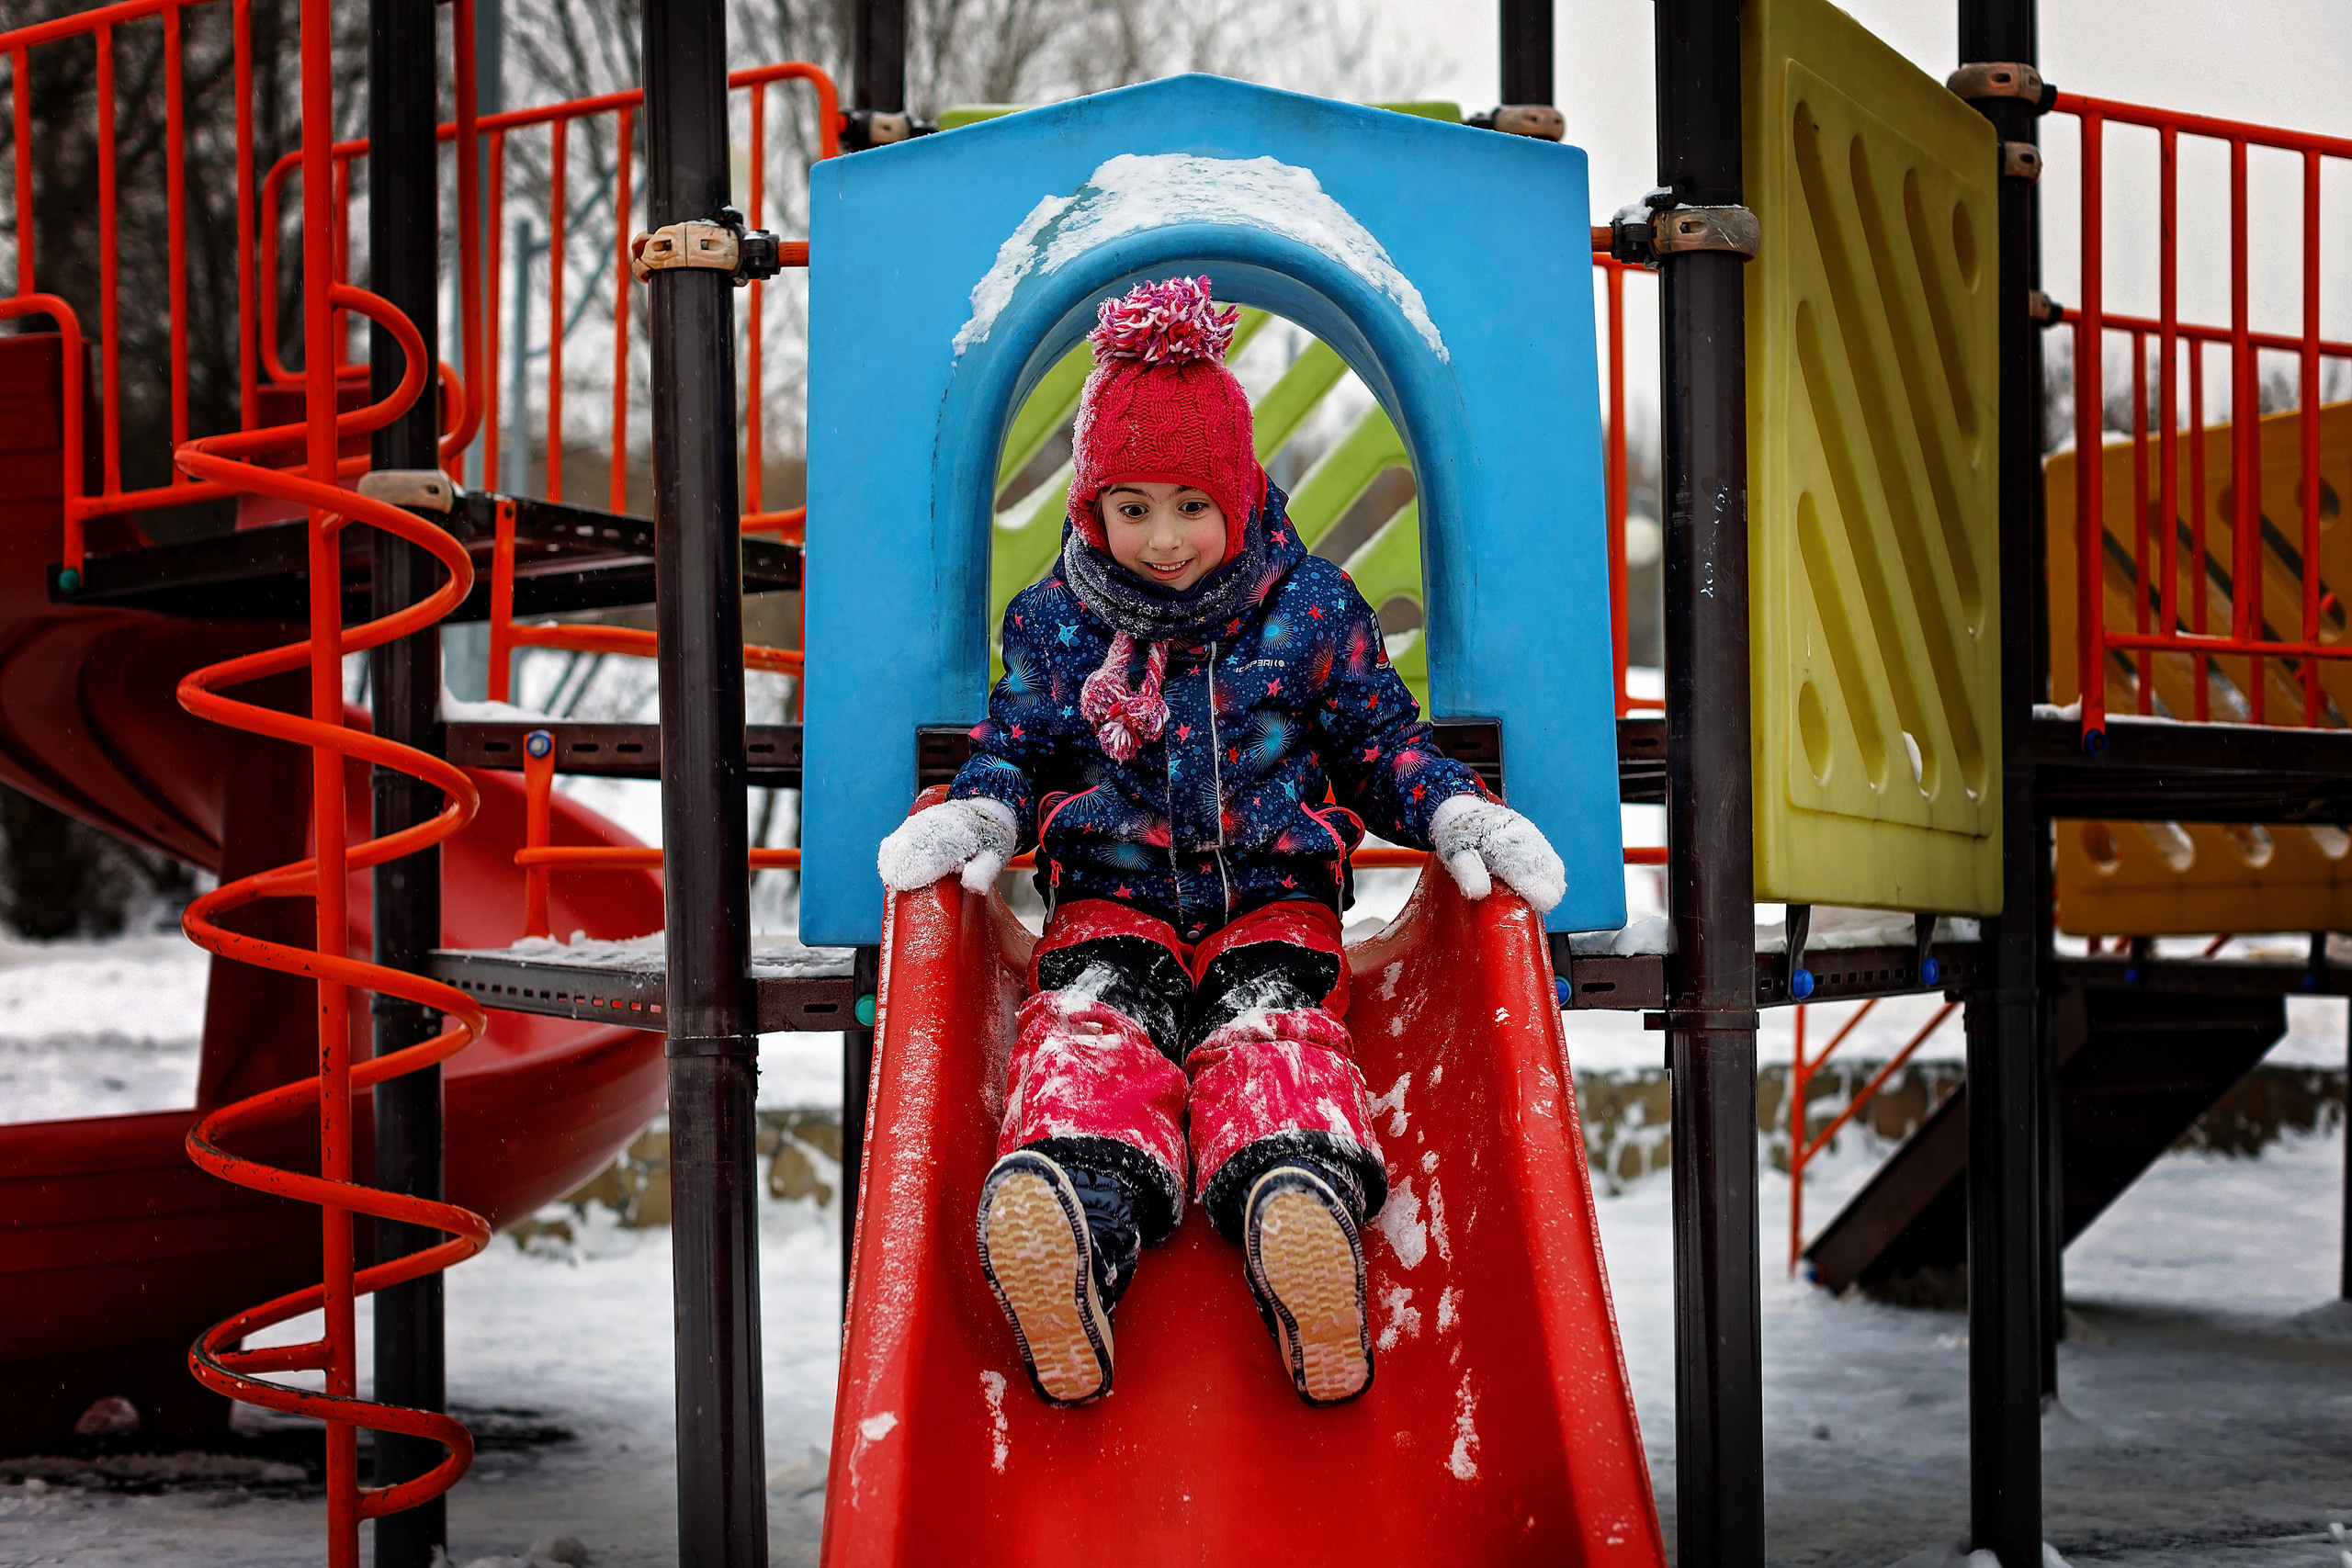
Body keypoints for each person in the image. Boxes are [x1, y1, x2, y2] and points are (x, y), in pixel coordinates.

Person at [876, 275, 1566, 1410]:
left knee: (1278, 1034)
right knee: (1086, 1034)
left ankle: (1296, 1212)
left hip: (1273, 902)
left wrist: (1453, 810)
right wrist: (982, 811)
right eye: (1129, 506)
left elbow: (1379, 742)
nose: (1160, 538)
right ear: (1090, 506)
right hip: (1109, 899)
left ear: (1239, 494)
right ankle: (1070, 1240)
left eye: (1191, 504)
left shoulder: (1314, 610)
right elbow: (1021, 742)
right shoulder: (1055, 621)